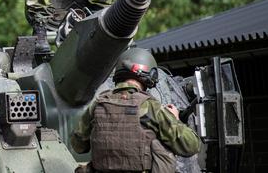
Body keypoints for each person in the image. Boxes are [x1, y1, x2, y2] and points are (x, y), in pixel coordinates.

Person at [70, 48, 201, 173]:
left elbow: (78, 146)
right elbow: (191, 145)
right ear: (149, 74)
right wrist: (175, 118)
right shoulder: (151, 107)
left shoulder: (97, 105)